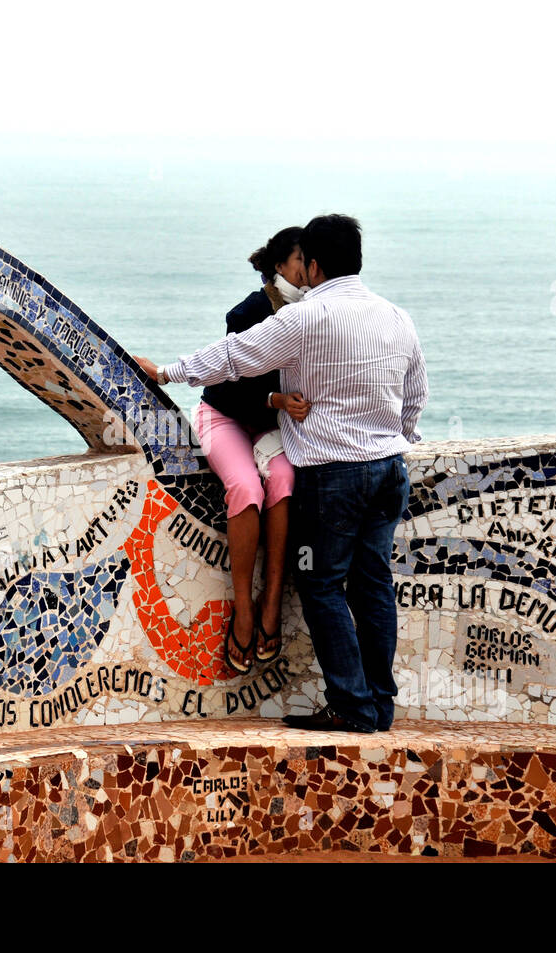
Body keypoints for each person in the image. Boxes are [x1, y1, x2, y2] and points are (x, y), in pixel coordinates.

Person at [136, 214, 427, 733]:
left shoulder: (305, 317)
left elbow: (235, 356)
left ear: (313, 265)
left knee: (320, 586)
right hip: (389, 470)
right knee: (373, 587)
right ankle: (380, 705)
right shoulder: (396, 317)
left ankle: (354, 709)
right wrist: (396, 437)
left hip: (334, 477)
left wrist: (164, 372)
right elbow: (416, 397)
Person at [140, 227, 312, 673]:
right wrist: (275, 401)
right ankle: (244, 607)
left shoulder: (317, 312)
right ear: (279, 266)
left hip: (270, 426)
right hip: (226, 416)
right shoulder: (250, 312)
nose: (308, 270)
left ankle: (271, 599)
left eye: (311, 262)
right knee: (245, 487)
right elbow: (228, 387)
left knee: (284, 481)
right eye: (300, 261)